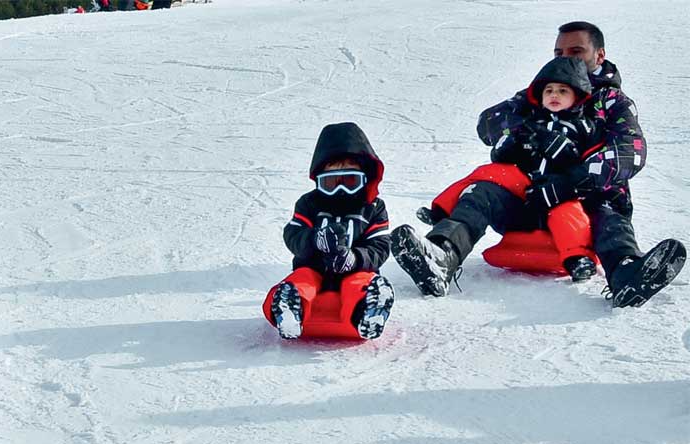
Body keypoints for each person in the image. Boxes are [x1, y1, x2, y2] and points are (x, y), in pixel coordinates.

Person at [391, 20, 685, 307]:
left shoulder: (612, 102)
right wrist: (530, 133)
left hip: (585, 210)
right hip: (532, 202)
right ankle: (442, 255)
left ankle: (626, 272)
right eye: (559, 53)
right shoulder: (545, 92)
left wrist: (570, 182)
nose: (566, 58)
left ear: (599, 55)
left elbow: (629, 152)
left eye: (576, 51)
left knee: (609, 208)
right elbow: (488, 123)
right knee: (482, 191)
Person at [419, 57, 602, 282]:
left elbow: (592, 171)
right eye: (549, 91)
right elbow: (501, 158)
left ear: (577, 96)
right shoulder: (529, 124)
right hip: (523, 203)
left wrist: (566, 158)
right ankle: (443, 251)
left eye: (563, 91)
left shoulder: (586, 128)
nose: (554, 95)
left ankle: (579, 259)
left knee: (568, 211)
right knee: (483, 185)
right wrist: (510, 146)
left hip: (557, 200)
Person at [264, 122, 394, 340]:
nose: (341, 190)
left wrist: (355, 258)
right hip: (314, 269)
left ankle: (367, 312)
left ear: (365, 178)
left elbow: (380, 247)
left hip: (355, 271)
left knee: (359, 282)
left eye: (350, 181)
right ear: (319, 181)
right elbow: (293, 235)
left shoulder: (372, 207)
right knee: (303, 278)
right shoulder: (309, 204)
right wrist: (315, 240)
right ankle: (290, 309)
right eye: (332, 183)